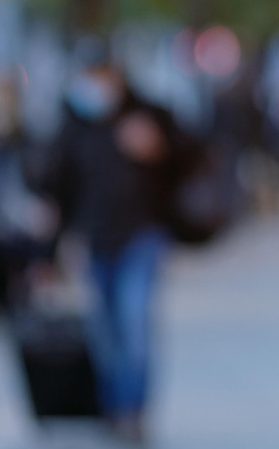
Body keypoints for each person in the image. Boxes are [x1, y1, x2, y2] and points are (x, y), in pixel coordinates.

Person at [41, 51, 190, 443]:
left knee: (134, 324)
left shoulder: (147, 116)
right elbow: (56, 185)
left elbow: (190, 163)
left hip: (141, 236)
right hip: (96, 239)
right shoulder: (75, 125)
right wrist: (51, 251)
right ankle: (112, 407)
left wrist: (158, 149)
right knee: (105, 334)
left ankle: (133, 411)